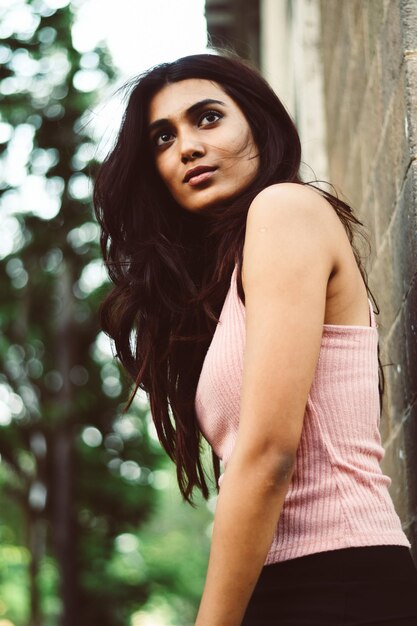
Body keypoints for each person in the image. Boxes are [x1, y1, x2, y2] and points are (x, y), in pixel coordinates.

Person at [93, 52, 417, 626]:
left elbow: (267, 455)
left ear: (259, 125)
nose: (187, 146)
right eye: (163, 139)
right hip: (290, 585)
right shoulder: (233, 277)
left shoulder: (284, 208)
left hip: (336, 581)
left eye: (208, 118)